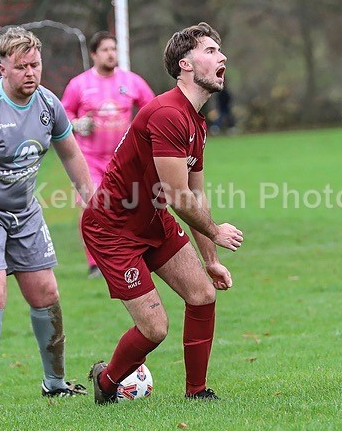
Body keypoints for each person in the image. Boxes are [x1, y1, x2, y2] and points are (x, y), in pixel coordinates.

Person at [81, 22, 243, 404]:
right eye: (210, 51)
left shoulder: (196, 121)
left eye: (220, 50)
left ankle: (197, 393)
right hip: (112, 229)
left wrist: (211, 260)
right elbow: (177, 195)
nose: (221, 57)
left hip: (152, 221)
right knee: (155, 329)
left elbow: (195, 195)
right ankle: (106, 382)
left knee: (203, 294)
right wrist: (215, 231)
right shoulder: (168, 113)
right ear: (185, 64)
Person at [0, 26, 94, 407]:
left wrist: (92, 201)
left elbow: (71, 153)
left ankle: (55, 383)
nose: (30, 73)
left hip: (25, 210)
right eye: (21, 66)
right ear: (2, 69)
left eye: (35, 65)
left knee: (47, 292)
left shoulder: (48, 104)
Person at [61, 31, 155, 278]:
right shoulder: (79, 84)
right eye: (105, 49)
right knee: (92, 207)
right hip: (88, 160)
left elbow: (151, 108)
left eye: (114, 49)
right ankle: (95, 263)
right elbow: (62, 114)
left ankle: (130, 256)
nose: (111, 54)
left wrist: (141, 132)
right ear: (94, 54)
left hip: (123, 160)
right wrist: (76, 124)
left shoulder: (131, 81)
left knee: (130, 208)